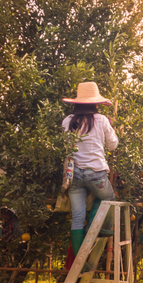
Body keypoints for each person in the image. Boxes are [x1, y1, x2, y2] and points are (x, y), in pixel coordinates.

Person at [62, 82, 119, 262]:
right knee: (108, 198)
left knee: (77, 217)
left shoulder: (67, 120)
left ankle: (80, 260)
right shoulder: (101, 120)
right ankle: (94, 229)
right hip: (96, 173)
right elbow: (113, 145)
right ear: (95, 103)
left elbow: (64, 145)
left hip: (74, 175)